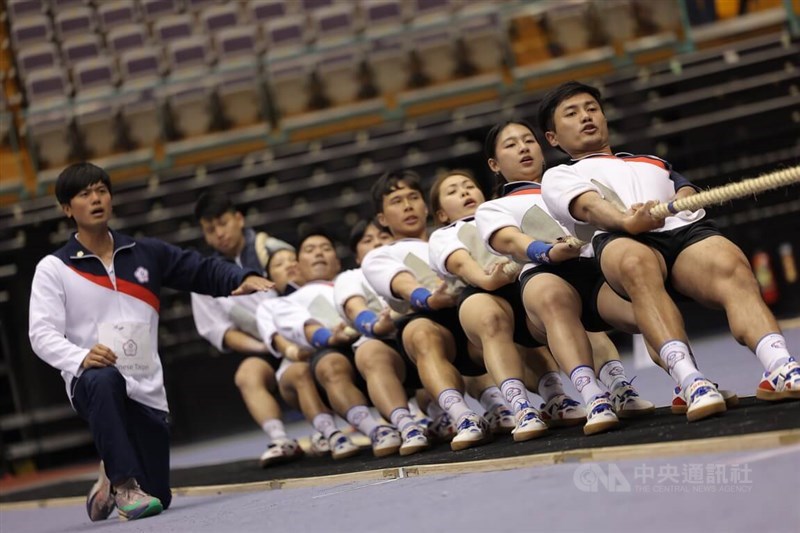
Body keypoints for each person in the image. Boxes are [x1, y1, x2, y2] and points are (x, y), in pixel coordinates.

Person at [28, 163, 274, 522]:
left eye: (101, 190)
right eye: (84, 194)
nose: (96, 199)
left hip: (145, 384)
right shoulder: (54, 269)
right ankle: (124, 482)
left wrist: (243, 276)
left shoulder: (145, 253)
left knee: (158, 497)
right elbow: (41, 333)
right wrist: (81, 357)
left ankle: (111, 469)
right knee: (104, 378)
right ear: (68, 209)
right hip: (92, 381)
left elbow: (200, 269)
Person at [538, 81, 799, 417]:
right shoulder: (559, 175)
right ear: (553, 138)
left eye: (591, 108)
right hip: (621, 238)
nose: (586, 117)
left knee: (729, 261)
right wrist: (625, 220)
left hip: (681, 231)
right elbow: (589, 208)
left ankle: (779, 364)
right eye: (571, 114)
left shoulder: (652, 162)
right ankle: (689, 380)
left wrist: (683, 199)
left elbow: (686, 191)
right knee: (635, 263)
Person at [475, 121, 655, 435]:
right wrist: (546, 252)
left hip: (596, 274)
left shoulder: (572, 183)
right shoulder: (492, 208)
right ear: (494, 164)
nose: (523, 148)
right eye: (511, 144)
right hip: (542, 283)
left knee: (647, 305)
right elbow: (513, 242)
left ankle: (670, 379)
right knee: (556, 298)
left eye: (528, 140)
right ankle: (592, 395)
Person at [428, 168, 581, 441]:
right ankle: (521, 408)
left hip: (523, 285)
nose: (464, 192)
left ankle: (562, 395)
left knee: (563, 300)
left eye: (469, 186)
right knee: (490, 318)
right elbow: (468, 268)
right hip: (481, 294)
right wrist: (488, 279)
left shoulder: (501, 215)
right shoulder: (445, 235)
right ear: (441, 214)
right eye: (453, 191)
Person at [362, 170, 492, 451]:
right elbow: (405, 285)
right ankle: (463, 417)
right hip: (430, 327)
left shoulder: (450, 236)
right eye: (396, 201)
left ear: (427, 206)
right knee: (420, 332)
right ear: (382, 219)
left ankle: (546, 396)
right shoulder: (380, 255)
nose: (408, 206)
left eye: (413, 198)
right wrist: (430, 299)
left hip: (473, 318)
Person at [190, 193, 315, 467]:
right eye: (211, 230)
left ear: (239, 218)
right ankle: (280, 439)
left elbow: (305, 292)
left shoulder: (272, 248)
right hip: (260, 345)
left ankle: (326, 429)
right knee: (247, 374)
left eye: (223, 223)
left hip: (301, 335)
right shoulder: (204, 276)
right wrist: (267, 346)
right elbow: (221, 332)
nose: (219, 233)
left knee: (305, 369)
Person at [271, 230, 402, 457]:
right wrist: (332, 338)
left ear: (338, 260)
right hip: (331, 359)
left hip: (379, 346)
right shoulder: (287, 302)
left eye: (326, 248)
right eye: (310, 250)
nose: (319, 254)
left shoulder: (355, 280)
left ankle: (421, 420)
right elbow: (307, 331)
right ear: (298, 266)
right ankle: (375, 430)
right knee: (330, 362)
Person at [334, 219, 430, 455]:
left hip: (421, 335)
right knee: (370, 351)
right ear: (357, 257)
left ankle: (490, 406)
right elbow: (355, 309)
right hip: (382, 344)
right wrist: (376, 326)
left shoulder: (406, 262)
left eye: (383, 237)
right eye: (367, 240)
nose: (377, 242)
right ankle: (407, 426)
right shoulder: (350, 277)